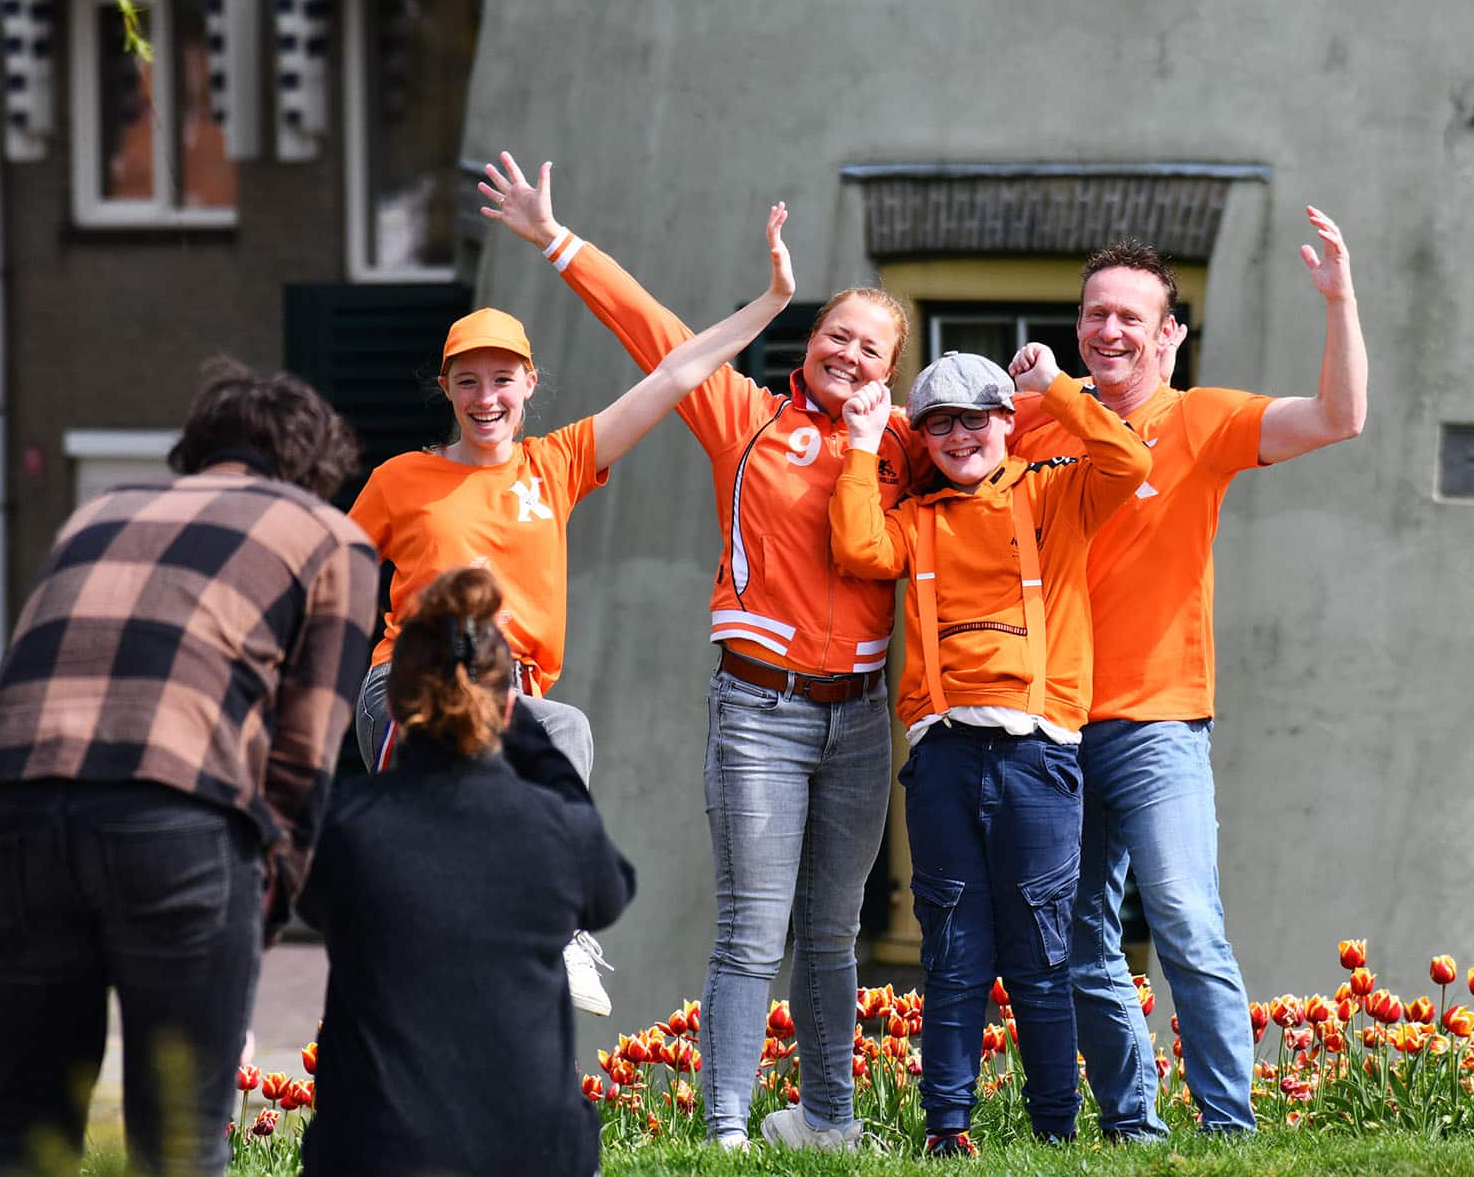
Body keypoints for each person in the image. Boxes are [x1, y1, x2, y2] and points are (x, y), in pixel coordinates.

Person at [480, 150, 928, 1150]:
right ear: (809, 340)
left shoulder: (905, 444)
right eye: (837, 334)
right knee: (753, 928)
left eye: (871, 347)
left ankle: (827, 1121)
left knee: (833, 933)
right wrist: (553, 238)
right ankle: (726, 1128)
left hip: (861, 715)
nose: (849, 354)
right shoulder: (747, 416)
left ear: (890, 371)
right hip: (760, 709)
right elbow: (654, 329)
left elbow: (1002, 455)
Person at [348, 200, 795, 1016]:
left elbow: (676, 374)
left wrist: (770, 303)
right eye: (467, 381)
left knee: (565, 732)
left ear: (529, 384)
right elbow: (330, 573)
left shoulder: (555, 464)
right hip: (410, 686)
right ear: (445, 389)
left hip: (512, 699)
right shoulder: (399, 479)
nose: (486, 397)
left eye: (502, 380)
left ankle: (550, 923)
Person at [0, 362, 378, 1176]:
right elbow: (307, 750)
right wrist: (264, 903)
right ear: (316, 467)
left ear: (198, 448)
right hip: (174, 812)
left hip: (6, 809)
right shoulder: (330, 537)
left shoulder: (97, 512)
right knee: (179, 1144)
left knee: (24, 1134)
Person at [1012, 212, 1367, 1137]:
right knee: (1078, 938)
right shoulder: (1040, 421)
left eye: (1131, 317)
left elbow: (1340, 418)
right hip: (1051, 724)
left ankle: (1228, 1129)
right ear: (1078, 326)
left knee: (1182, 914)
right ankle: (1133, 1128)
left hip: (1158, 722)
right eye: (1096, 314)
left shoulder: (1201, 420)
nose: (1110, 331)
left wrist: (1339, 302)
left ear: (1169, 333)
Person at [829, 347, 1151, 1155]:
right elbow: (860, 548)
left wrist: (1055, 389)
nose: (959, 436)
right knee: (953, 952)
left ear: (1008, 422)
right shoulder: (918, 519)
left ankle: (1054, 1134)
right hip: (942, 757)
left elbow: (1129, 459)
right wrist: (863, 447)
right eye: (940, 424)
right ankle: (948, 1131)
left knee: (1042, 956)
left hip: (1038, 756)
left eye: (976, 418)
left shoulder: (1057, 492)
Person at [296, 567, 637, 1177]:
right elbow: (610, 891)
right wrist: (528, 733)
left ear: (399, 703)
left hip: (379, 1153)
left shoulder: (351, 828)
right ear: (506, 706)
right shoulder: (554, 829)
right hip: (528, 1156)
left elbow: (310, 902)